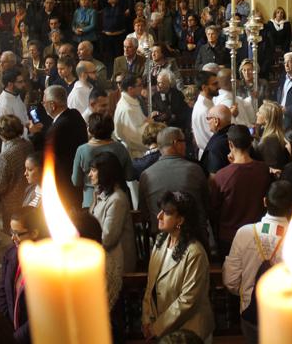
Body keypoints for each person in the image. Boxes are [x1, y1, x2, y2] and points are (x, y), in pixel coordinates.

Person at [222, 180, 292, 344]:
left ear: (264, 201)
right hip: (284, 316)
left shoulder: (244, 233)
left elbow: (230, 281)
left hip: (250, 314)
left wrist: (245, 293)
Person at [142, 191, 214, 342]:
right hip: (162, 328)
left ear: (180, 220)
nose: (159, 216)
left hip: (188, 333)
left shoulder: (195, 252)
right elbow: (150, 285)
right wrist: (147, 319)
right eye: (160, 211)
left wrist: (157, 328)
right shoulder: (160, 241)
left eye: (166, 213)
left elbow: (187, 300)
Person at [210, 125, 271, 257]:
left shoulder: (222, 175)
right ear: (250, 143)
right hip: (258, 234)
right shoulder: (264, 170)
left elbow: (214, 209)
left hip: (229, 237)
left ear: (230, 144)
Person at [138, 127, 209, 239]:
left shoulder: (146, 175)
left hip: (161, 241)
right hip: (194, 238)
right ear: (176, 143)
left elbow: (144, 212)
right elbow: (207, 205)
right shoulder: (195, 170)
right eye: (184, 141)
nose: (186, 145)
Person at [88, 151, 135, 309]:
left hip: (115, 260)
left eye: (94, 170)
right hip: (103, 254)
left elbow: (108, 238)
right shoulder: (102, 195)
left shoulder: (117, 199)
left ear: (105, 172)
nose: (90, 174)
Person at [0, 206, 49, 344]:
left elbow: (42, 315)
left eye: (17, 233)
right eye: (11, 231)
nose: (12, 237)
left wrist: (16, 338)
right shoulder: (11, 253)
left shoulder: (47, 266)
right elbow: (3, 290)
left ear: (34, 233)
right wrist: (4, 326)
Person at [40, 85, 87, 207]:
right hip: (78, 176)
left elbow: (48, 156)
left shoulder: (56, 129)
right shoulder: (75, 115)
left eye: (44, 102)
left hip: (63, 182)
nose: (43, 105)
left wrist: (35, 136)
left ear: (52, 105)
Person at [73, 113, 132, 207]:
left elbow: (76, 181)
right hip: (117, 198)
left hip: (90, 201)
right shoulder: (120, 148)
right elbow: (130, 176)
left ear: (90, 130)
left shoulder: (82, 150)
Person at [0, 114, 34, 231]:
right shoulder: (28, 145)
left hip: (12, 204)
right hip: (30, 197)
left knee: (15, 238)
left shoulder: (5, 156)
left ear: (1, 133)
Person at [113, 74, 152, 159]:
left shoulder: (133, 100)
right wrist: (148, 124)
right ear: (130, 89)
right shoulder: (127, 108)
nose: (142, 87)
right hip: (133, 153)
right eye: (140, 85)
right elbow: (133, 137)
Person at [191, 70, 219, 158]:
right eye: (214, 84)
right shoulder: (205, 109)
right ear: (204, 87)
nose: (218, 87)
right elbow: (214, 136)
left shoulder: (206, 103)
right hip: (211, 154)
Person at [201, 104, 233, 175]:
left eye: (208, 119)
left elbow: (213, 177)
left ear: (216, 121)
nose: (207, 122)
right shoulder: (238, 135)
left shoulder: (216, 147)